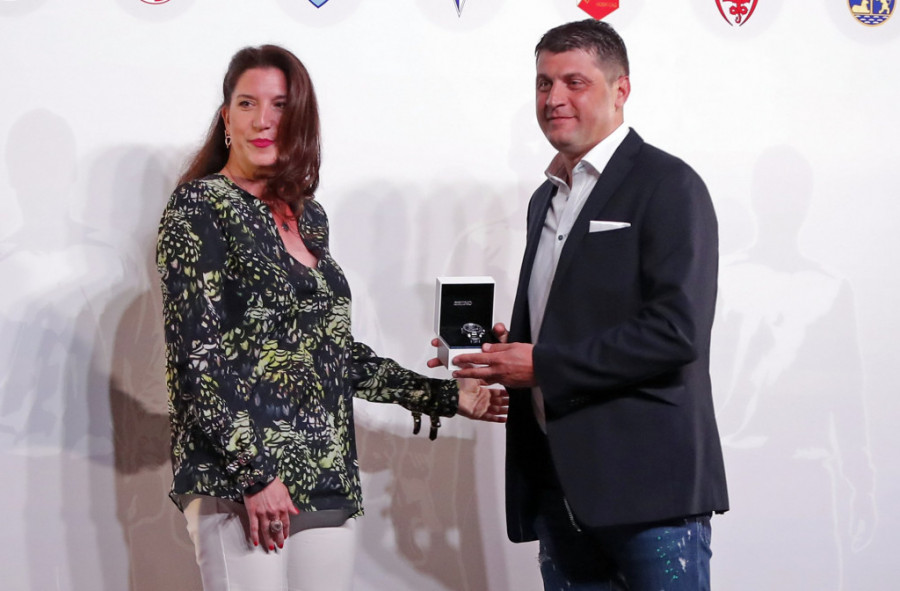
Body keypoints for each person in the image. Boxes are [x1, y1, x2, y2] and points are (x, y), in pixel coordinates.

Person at [157, 44, 507, 591]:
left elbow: (332, 354)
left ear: (300, 118)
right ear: (226, 118)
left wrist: (446, 396)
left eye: (280, 105)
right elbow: (196, 359)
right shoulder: (198, 207)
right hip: (240, 481)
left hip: (325, 473)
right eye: (247, 103)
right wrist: (256, 476)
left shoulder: (309, 216)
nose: (263, 120)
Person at [439, 20, 729, 590]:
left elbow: (677, 331)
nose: (554, 98)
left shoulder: (669, 184)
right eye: (543, 83)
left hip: (650, 490)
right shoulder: (544, 199)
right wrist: (503, 355)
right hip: (560, 488)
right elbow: (574, 322)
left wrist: (542, 364)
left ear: (621, 90)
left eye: (575, 82)